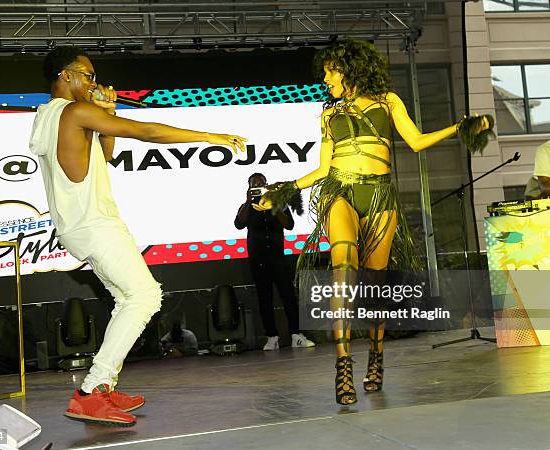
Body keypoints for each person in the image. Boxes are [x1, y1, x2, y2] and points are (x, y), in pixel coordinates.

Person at [257, 40, 491, 405]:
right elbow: (322, 168)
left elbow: (415, 141)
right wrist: (283, 190)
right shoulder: (329, 113)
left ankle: (376, 357)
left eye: (330, 71)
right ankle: (343, 366)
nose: (325, 78)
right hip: (341, 192)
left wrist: (459, 128)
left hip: (380, 195)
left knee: (375, 286)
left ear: (349, 69)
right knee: (343, 270)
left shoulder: (388, 101)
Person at [29, 46, 246, 426]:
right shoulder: (75, 111)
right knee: (145, 296)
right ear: (65, 75)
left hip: (77, 225)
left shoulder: (46, 116)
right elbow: (145, 131)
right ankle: (91, 392)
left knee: (126, 297)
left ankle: (104, 385)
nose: (94, 83)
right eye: (87, 74)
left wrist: (107, 113)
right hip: (96, 223)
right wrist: (210, 135)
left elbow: (106, 155)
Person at [234, 173, 315, 350]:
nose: (258, 187)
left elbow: (289, 225)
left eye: (261, 184)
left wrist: (275, 205)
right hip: (258, 261)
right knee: (264, 299)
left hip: (278, 259)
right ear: (248, 187)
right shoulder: (246, 207)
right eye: (254, 185)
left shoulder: (278, 204)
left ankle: (296, 335)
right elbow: (239, 224)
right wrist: (249, 201)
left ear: (267, 185)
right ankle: (271, 336)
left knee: (289, 297)